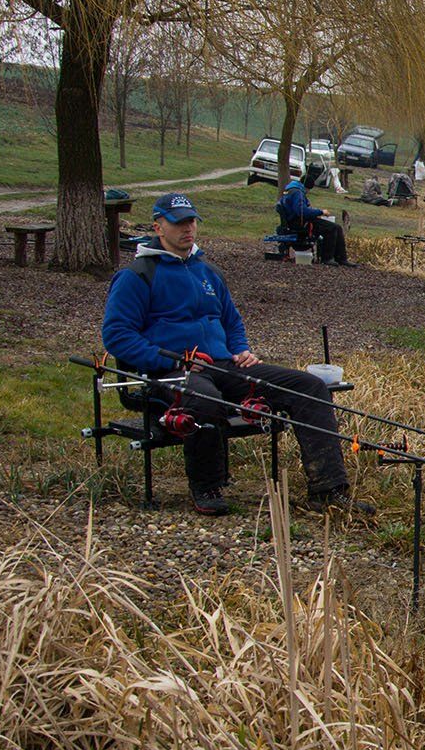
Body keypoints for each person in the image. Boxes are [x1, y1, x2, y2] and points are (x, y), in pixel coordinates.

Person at [101, 192, 372, 518]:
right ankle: (207, 485)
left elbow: (231, 321)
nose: (188, 229)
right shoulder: (137, 276)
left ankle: (328, 490)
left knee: (308, 386)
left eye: (191, 221)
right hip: (172, 372)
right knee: (204, 398)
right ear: (159, 227)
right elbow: (117, 336)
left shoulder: (208, 272)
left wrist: (241, 350)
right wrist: (171, 360)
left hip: (225, 365)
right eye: (178, 223)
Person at [278, 165, 353, 265]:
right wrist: (320, 212)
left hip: (296, 221)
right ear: (307, 187)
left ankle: (342, 259)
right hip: (300, 224)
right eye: (308, 190)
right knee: (332, 228)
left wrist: (314, 213)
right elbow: (302, 211)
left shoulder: (291, 189)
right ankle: (327, 258)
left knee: (338, 227)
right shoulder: (297, 193)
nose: (307, 192)